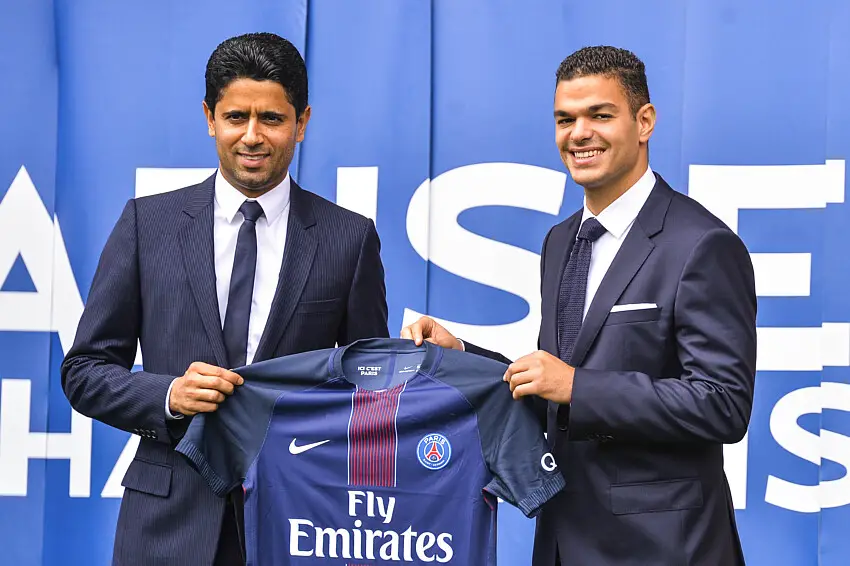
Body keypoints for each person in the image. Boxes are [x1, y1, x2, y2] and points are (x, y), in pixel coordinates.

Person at [402, 46, 756, 565]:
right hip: (563, 539)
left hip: (664, 549)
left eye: (600, 115)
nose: (579, 133)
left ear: (644, 122)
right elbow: (556, 387)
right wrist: (463, 357)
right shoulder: (561, 240)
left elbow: (722, 403)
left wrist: (578, 387)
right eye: (565, 119)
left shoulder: (701, 243)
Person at [61, 32, 389, 566]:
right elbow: (84, 372)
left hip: (299, 524)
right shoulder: (148, 225)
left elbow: (370, 393)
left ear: (302, 123)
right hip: (165, 529)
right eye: (236, 117)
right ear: (209, 117)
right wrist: (170, 395)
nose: (252, 136)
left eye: (272, 119)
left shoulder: (348, 238)